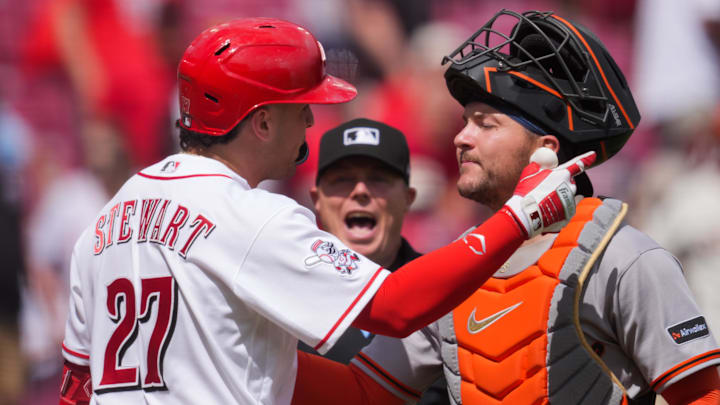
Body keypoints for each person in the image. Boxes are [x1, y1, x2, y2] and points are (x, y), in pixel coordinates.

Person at [57, 17, 594, 405]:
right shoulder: (251, 216)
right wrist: (520, 216)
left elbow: (77, 388)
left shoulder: (106, 221)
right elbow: (396, 306)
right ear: (262, 121)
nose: (312, 122)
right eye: (301, 107)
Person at [291, 10, 720, 405]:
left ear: (545, 151)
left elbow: (703, 393)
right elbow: (364, 390)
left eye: (485, 123)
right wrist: (240, 344)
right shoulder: (456, 266)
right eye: (464, 121)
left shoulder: (624, 258)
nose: (461, 138)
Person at [301, 118, 449, 404]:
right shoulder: (280, 297)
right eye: (342, 180)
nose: (360, 191)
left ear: (408, 198)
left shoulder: (446, 292)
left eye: (378, 179)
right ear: (316, 200)